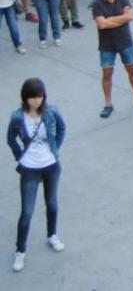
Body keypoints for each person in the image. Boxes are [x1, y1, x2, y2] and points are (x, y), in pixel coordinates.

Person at [7, 78, 66, 273]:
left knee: (52, 203)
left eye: (40, 97)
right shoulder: (17, 117)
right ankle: (20, 251)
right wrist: (20, 157)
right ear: (25, 98)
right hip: (29, 168)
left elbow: (62, 128)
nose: (37, 101)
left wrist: (55, 149)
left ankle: (52, 235)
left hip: (51, 165)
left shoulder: (51, 111)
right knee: (27, 212)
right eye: (33, 97)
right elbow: (11, 139)